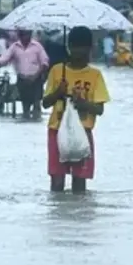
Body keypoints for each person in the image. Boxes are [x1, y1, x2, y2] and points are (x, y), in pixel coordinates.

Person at [42, 26, 109, 193]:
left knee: (79, 183)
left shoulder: (95, 75)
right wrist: (58, 92)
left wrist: (83, 103)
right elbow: (45, 103)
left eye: (83, 47)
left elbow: (99, 109)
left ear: (90, 49)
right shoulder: (58, 71)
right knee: (57, 181)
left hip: (83, 132)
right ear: (69, 47)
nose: (79, 51)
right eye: (75, 47)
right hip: (57, 131)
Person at [0, 29, 49, 119]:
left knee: (37, 104)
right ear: (20, 36)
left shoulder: (37, 46)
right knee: (25, 106)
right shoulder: (14, 47)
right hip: (22, 80)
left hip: (36, 80)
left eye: (28, 34)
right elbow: (5, 58)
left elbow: (45, 62)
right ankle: (26, 121)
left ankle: (36, 121)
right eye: (24, 35)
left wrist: (36, 75)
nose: (26, 37)